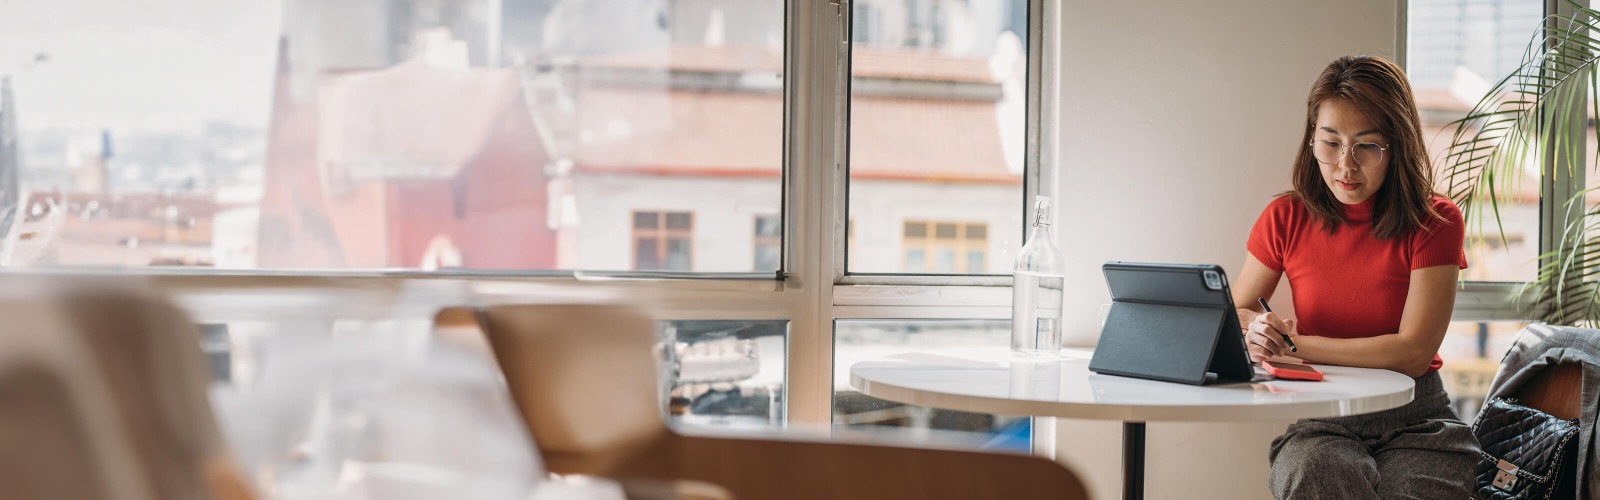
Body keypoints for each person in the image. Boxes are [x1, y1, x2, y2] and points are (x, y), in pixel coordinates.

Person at [1229, 55, 1481, 499]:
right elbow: (1235, 312)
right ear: (1311, 141)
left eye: (1367, 146)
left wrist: (1293, 345)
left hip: (1417, 419)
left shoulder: (1435, 221)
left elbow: (1413, 354)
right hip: (1322, 419)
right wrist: (1257, 332)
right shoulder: (1284, 217)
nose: (1345, 166)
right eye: (1330, 143)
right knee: (1315, 473)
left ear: (1397, 146)